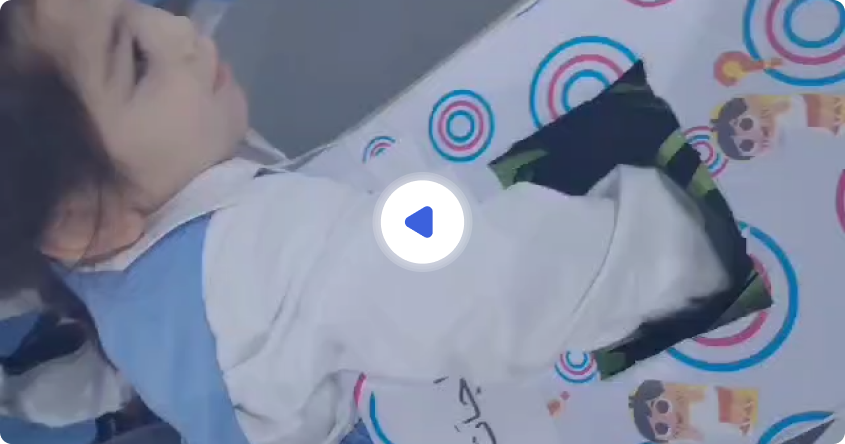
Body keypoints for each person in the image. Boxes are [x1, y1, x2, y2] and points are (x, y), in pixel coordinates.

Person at [0, 1, 732, 443]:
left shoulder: (82, 258)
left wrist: (34, 397)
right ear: (78, 218)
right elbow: (481, 296)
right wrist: (672, 246)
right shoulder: (265, 260)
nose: (179, 30)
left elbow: (111, 359)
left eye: (141, 7)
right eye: (135, 61)